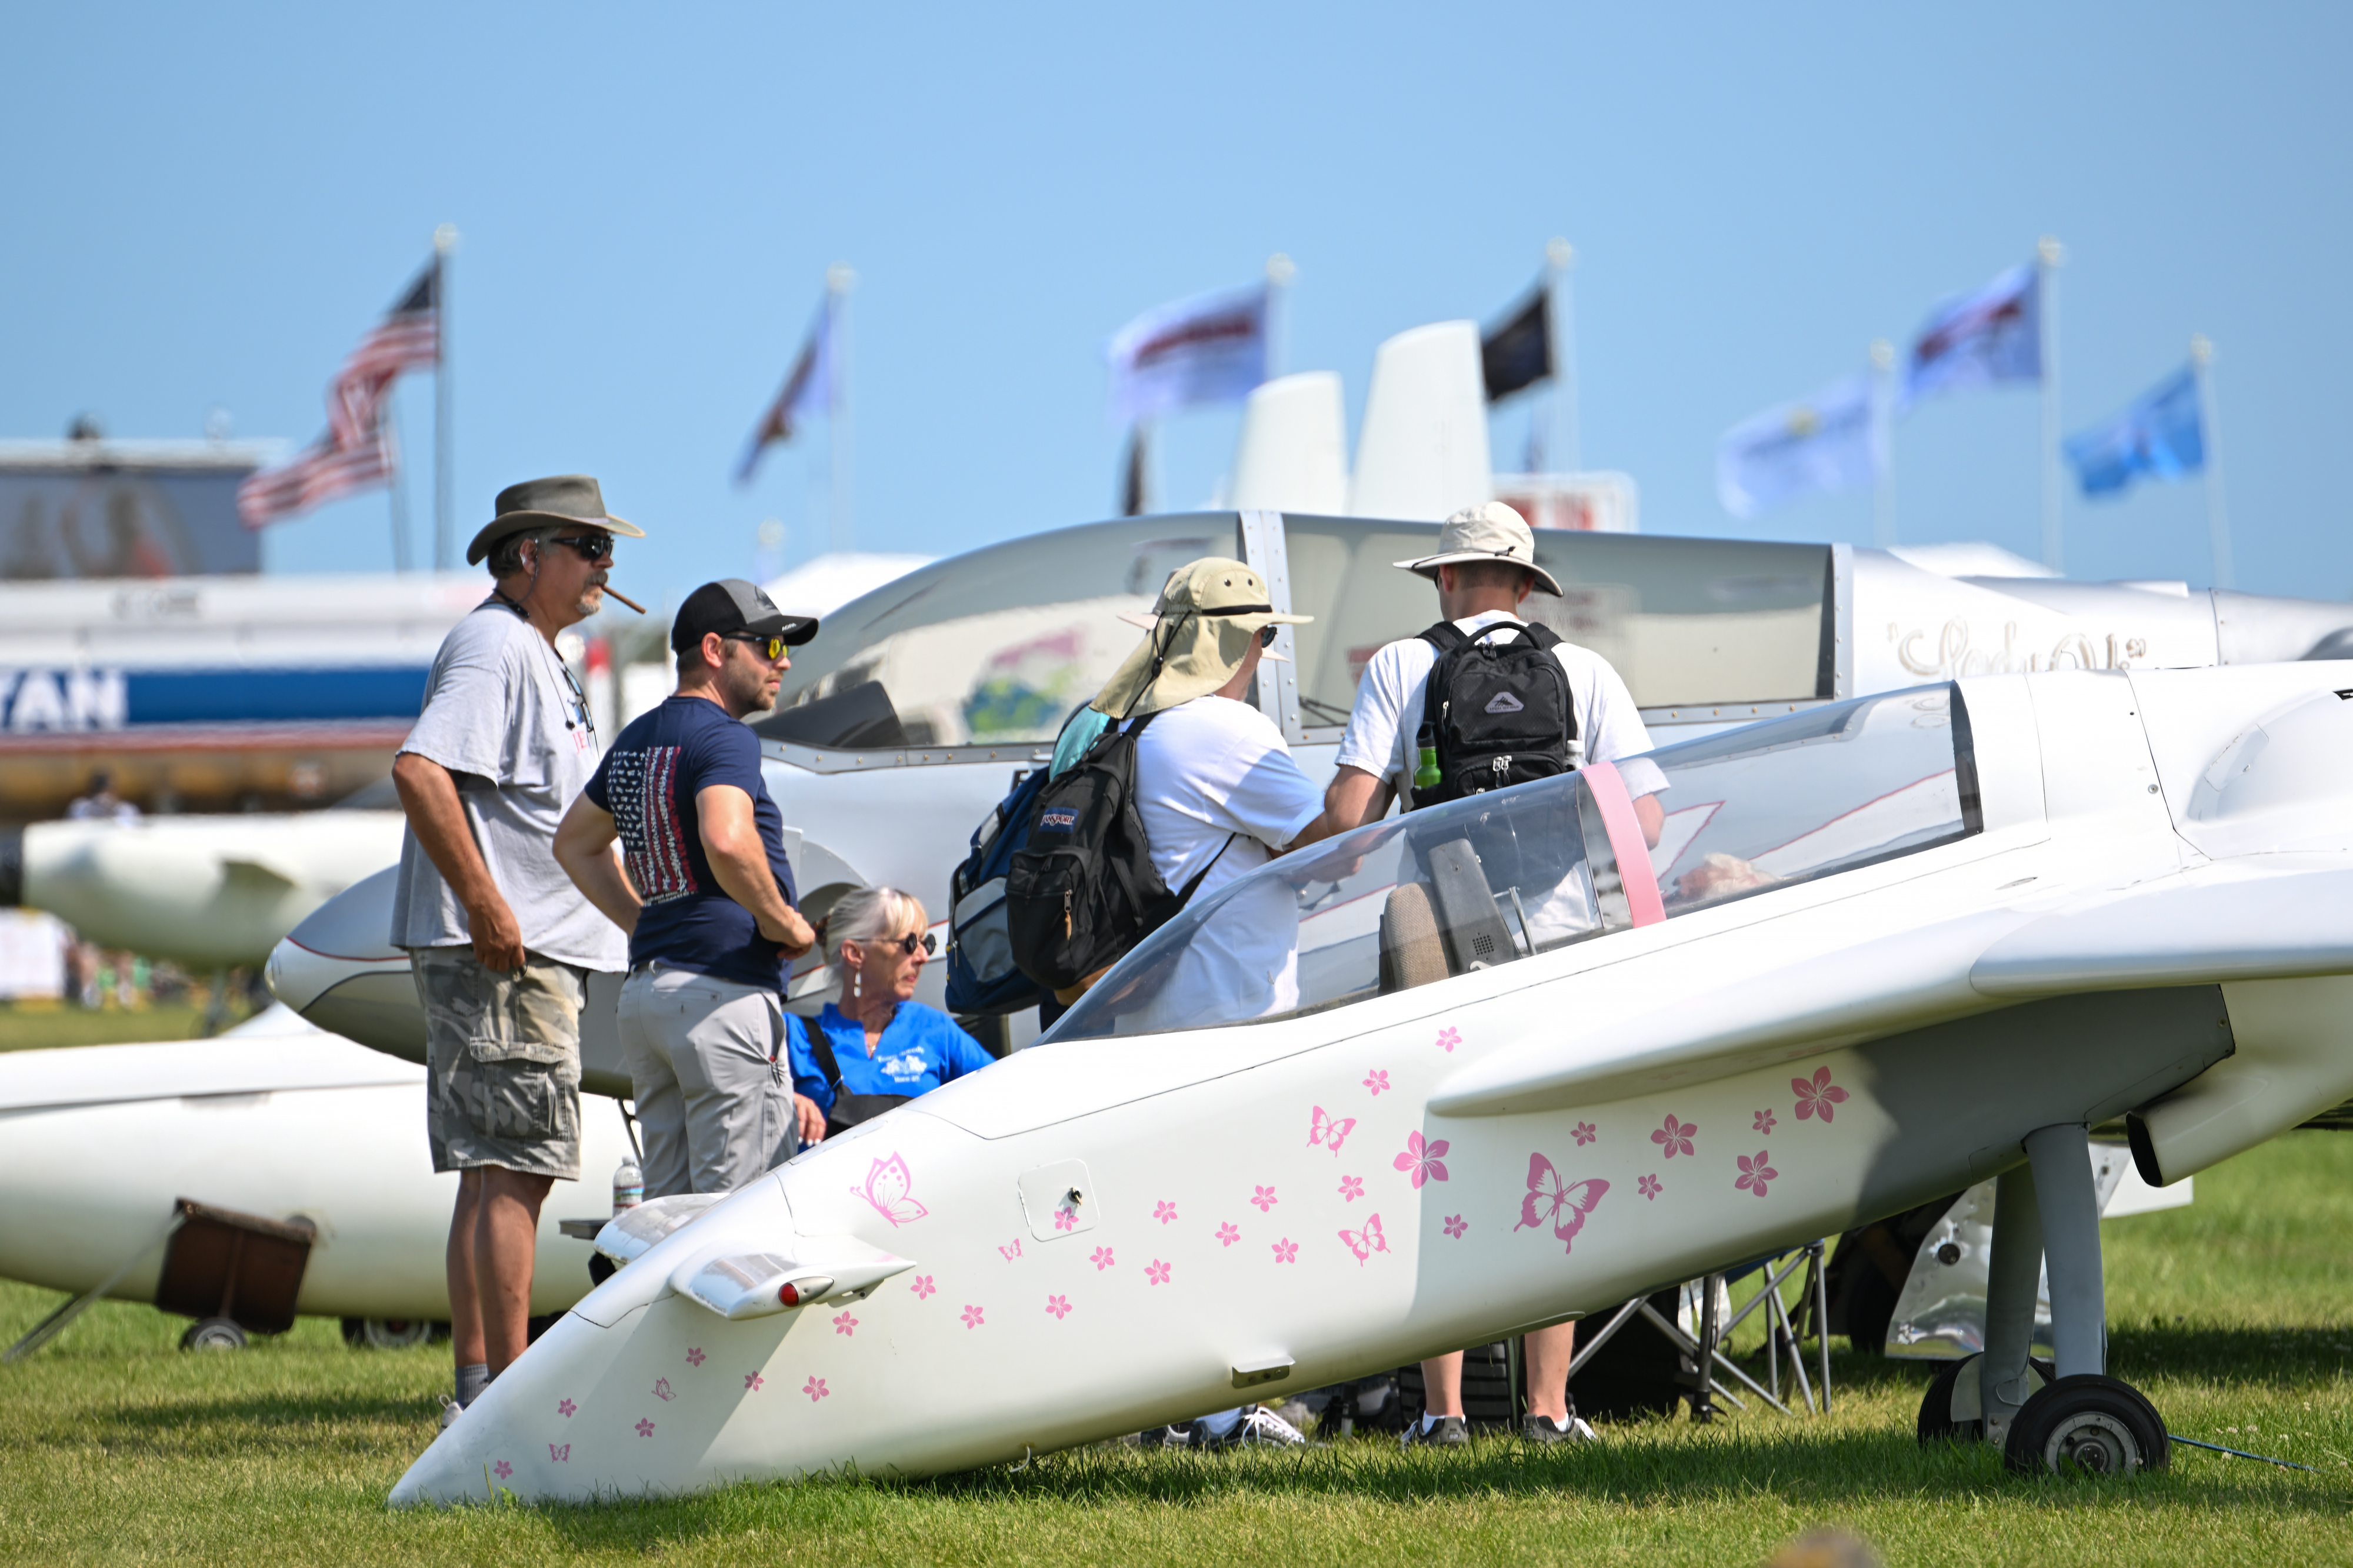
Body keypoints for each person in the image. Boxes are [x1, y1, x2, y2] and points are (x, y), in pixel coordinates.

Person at [1324, 501, 1667, 1447]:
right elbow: (1644, 824)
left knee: (1439, 1161)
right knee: (1545, 1160)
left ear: (1443, 577)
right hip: (1556, 938)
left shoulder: (1402, 663)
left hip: (1437, 933)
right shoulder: (1584, 669)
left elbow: (1353, 814)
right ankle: (1551, 1410)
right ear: (1527, 585)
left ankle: (1442, 1413)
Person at [389, 474, 641, 1424]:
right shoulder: (496, 646)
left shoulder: (535, 650)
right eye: (587, 544)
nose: (606, 565)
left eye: (607, 547)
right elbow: (421, 771)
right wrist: (489, 904)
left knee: (500, 1169)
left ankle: (481, 1395)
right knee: (516, 1168)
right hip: (506, 958)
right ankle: (508, 1406)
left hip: (519, 957)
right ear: (526, 555)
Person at [554, 579, 824, 1200]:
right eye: (768, 644)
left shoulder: (635, 741)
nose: (783, 659)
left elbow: (574, 843)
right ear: (714, 648)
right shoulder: (726, 736)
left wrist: (642, 923)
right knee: (739, 1217)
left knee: (666, 1218)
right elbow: (727, 839)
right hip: (721, 995)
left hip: (647, 996)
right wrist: (785, 922)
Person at [1084, 557, 1352, 1036]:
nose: (1263, 649)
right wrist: (1376, 757)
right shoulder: (1228, 729)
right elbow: (1336, 851)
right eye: (1264, 635)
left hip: (1146, 1016)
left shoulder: (1122, 724)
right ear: (1238, 641)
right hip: (1227, 1020)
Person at [784, 886, 994, 1136]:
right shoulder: (793, 1035)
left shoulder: (933, 1027)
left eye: (926, 943)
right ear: (855, 954)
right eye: (909, 943)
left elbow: (1004, 1093)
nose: (923, 957)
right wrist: (784, 1104)